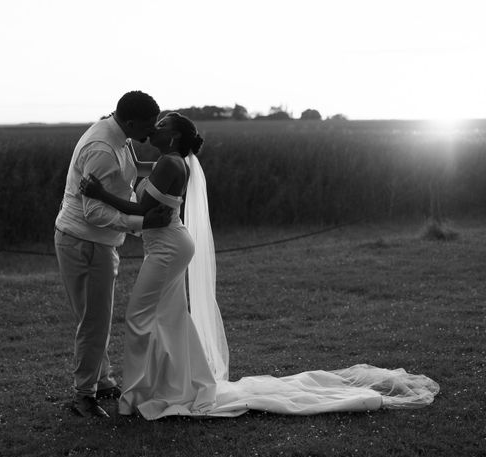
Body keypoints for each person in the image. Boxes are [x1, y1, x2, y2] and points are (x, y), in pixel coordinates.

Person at [80, 112, 440, 420]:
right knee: (170, 317)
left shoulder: (171, 164)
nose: (153, 129)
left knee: (138, 316)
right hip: (167, 244)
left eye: (159, 125)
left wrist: (100, 195)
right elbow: (143, 181)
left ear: (172, 136)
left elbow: (143, 211)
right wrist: (120, 150)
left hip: (167, 249)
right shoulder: (168, 162)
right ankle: (177, 383)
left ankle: (134, 397)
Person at [54, 91, 172, 419]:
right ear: (131, 121)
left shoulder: (121, 136)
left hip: (98, 243)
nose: (153, 130)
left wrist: (171, 166)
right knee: (94, 320)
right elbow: (94, 212)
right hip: (85, 241)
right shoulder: (102, 149)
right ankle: (83, 396)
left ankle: (102, 381)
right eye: (150, 124)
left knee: (95, 317)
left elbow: (126, 176)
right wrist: (142, 222)